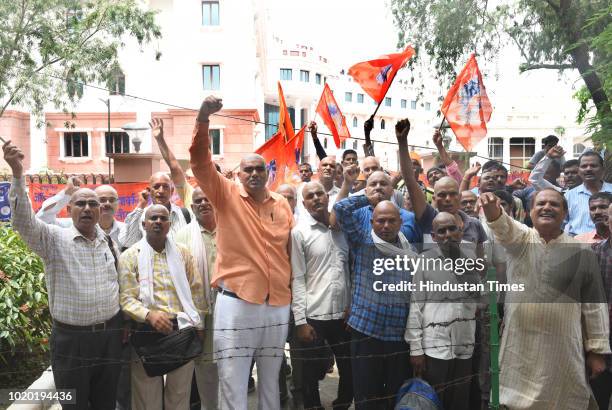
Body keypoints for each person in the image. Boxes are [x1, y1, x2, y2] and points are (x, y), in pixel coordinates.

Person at [189, 96, 294, 410]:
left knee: (272, 381)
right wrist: (203, 116)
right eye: (247, 170)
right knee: (233, 382)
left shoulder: (282, 204)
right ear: (238, 175)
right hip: (237, 304)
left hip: (277, 304)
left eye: (259, 169)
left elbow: (288, 253)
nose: (254, 174)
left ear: (268, 173)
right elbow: (199, 161)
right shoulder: (226, 195)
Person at [4, 140, 123, 409]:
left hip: (109, 339)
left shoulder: (108, 242)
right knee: (75, 405)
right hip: (72, 342)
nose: (89, 208)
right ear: (69, 209)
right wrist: (18, 173)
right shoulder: (53, 240)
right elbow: (23, 221)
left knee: (106, 403)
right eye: (80, 203)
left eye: (94, 204)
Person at [480, 189, 611, 409]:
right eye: (540, 204)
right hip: (520, 345)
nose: (547, 207)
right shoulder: (520, 240)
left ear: (565, 213)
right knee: (513, 401)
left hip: (564, 347)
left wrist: (597, 351)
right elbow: (503, 226)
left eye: (554, 204)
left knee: (564, 399)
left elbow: (593, 306)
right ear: (530, 212)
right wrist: (492, 210)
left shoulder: (582, 251)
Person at [334, 119, 420, 409]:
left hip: (398, 331)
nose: (385, 225)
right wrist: (364, 197)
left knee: (394, 395)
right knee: (367, 395)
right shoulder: (361, 228)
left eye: (384, 184)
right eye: (373, 184)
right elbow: (339, 210)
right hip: (365, 327)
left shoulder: (407, 227)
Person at [119, 205, 206, 410]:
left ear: (169, 224)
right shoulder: (130, 256)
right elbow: (126, 298)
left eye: (163, 218)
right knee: (147, 397)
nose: (158, 221)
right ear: (144, 224)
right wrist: (149, 315)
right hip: (146, 332)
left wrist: (199, 325)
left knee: (179, 395)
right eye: (153, 218)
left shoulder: (183, 254)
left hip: (182, 330)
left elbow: (197, 291)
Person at [406, 212, 483, 410]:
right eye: (441, 231)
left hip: (464, 344)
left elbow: (479, 298)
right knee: (435, 400)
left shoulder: (471, 258)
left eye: (452, 229)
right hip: (434, 346)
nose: (447, 234)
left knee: (459, 401)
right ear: (434, 237)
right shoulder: (425, 261)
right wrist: (416, 349)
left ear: (460, 231)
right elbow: (416, 306)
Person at [291, 181, 353, 410]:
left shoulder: (343, 229)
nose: (316, 198)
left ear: (328, 197)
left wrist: (352, 304)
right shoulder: (299, 233)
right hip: (314, 314)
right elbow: (297, 278)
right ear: (304, 203)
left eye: (320, 194)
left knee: (349, 367)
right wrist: (300, 321)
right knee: (311, 371)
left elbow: (352, 270)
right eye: (310, 196)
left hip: (344, 314)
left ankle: (343, 403)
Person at [175, 187, 219, 410]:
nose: (203, 203)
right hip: (198, 312)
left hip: (231, 308)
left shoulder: (230, 229)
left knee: (232, 363)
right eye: (198, 201)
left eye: (207, 198)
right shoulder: (182, 236)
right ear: (192, 208)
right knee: (204, 366)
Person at [36, 178, 126, 245]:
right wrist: (66, 194)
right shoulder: (71, 226)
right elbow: (42, 219)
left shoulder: (126, 230)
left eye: (112, 200)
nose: (107, 204)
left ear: (118, 204)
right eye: (102, 200)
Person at [119, 171, 194, 249]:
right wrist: (140, 206)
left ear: (171, 191)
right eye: (156, 187)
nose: (161, 191)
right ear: (149, 191)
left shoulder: (185, 214)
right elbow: (127, 242)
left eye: (165, 186)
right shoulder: (141, 215)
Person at [591, 203, 612, 410]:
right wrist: (594, 351)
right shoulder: (594, 254)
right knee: (599, 401)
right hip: (603, 343)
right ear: (608, 221)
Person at [565, 151, 612, 236]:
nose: (588, 169)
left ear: (602, 169)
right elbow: (560, 224)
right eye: (584, 166)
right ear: (579, 170)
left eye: (593, 166)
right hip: (578, 245)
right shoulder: (569, 196)